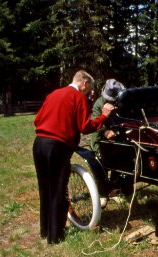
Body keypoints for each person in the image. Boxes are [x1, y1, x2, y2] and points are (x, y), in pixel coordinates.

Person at [33, 70, 114, 244]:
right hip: (57, 147)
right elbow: (85, 126)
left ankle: (45, 231)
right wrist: (104, 116)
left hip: (39, 143)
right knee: (58, 192)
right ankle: (56, 237)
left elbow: (37, 119)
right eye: (89, 89)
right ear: (84, 83)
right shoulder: (78, 97)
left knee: (45, 189)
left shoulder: (54, 94)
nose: (89, 93)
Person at [90, 79, 125, 153]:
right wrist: (105, 131)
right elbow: (94, 122)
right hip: (102, 135)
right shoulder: (99, 104)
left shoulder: (124, 102)